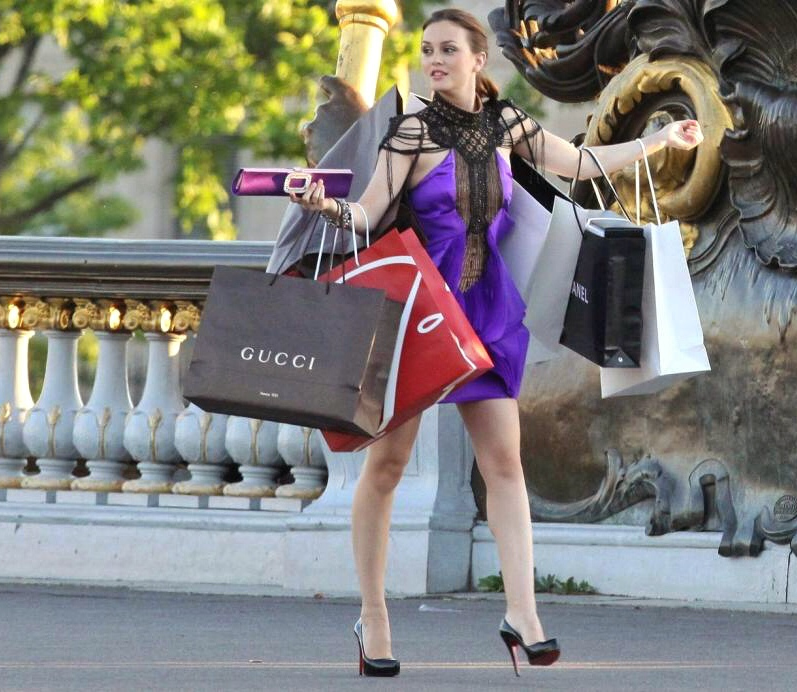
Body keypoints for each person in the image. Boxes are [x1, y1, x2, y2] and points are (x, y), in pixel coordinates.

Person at [291, 7, 704, 678]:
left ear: (477, 59)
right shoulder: (411, 132)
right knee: (387, 466)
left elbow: (580, 163)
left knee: (505, 464)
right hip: (419, 317)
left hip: (487, 314)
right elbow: (366, 214)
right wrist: (323, 207)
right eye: (428, 50)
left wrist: (659, 141)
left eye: (448, 50)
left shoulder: (506, 124)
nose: (435, 60)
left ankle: (523, 614)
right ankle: (374, 616)